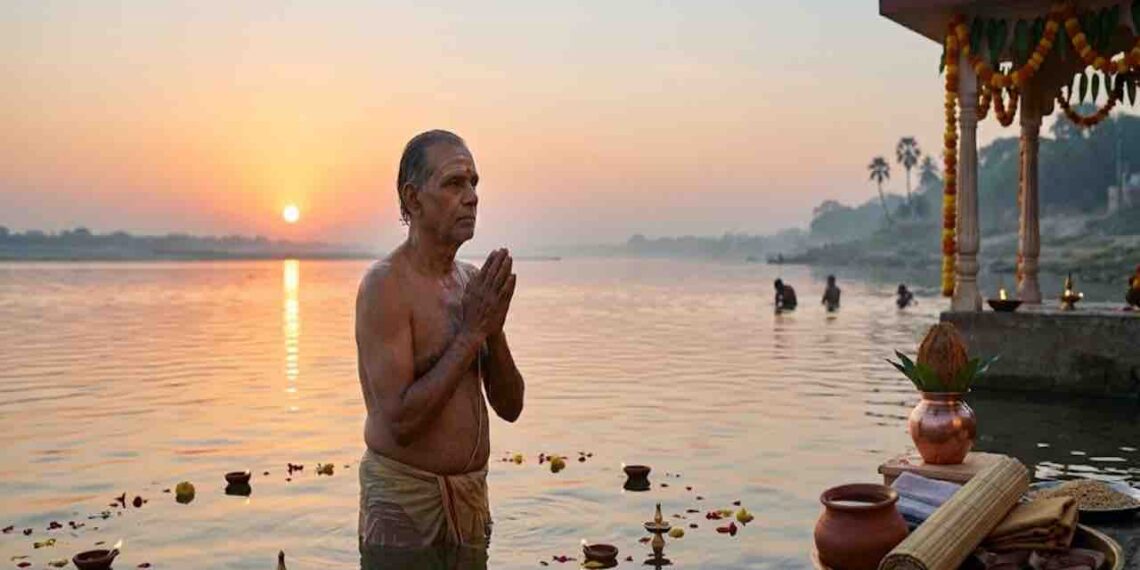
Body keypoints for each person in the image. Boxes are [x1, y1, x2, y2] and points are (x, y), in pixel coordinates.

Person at [355, 130, 525, 561]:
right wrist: (471, 333)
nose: (471, 197)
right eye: (454, 183)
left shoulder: (471, 283)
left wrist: (494, 329)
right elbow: (400, 422)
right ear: (412, 200)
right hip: (406, 505)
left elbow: (511, 407)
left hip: (470, 501)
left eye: (474, 183)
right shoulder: (386, 287)